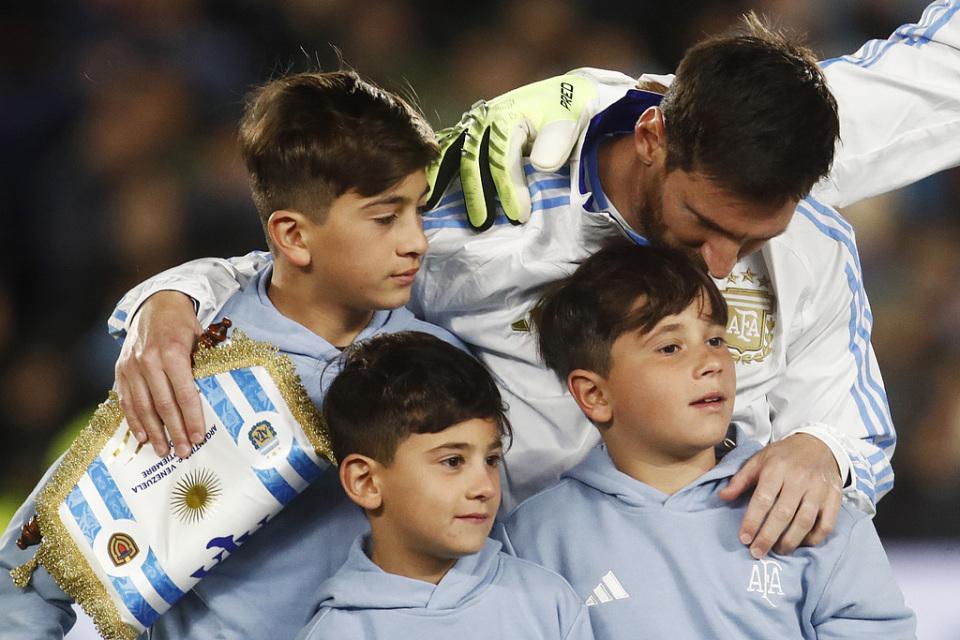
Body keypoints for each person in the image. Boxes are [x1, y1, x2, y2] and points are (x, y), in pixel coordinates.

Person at [103, 10, 960, 561]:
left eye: (755, 236)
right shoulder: (497, 204)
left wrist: (825, 451)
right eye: (703, 222)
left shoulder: (807, 215)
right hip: (521, 587)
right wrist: (170, 304)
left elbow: (851, 429)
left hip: (728, 589)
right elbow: (306, 271)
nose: (724, 263)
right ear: (653, 137)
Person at [0, 69, 466, 638]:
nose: (417, 240)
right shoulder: (183, 361)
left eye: (420, 210)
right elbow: (24, 574)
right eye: (385, 218)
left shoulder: (443, 360)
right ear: (293, 236)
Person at [499, 243, 915, 639]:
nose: (711, 362)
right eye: (670, 347)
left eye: (716, 340)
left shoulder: (808, 507)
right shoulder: (534, 539)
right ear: (595, 394)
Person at [296, 332, 594, 640]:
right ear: (366, 482)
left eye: (491, 460)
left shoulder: (547, 601)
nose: (485, 488)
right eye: (452, 461)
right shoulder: (334, 633)